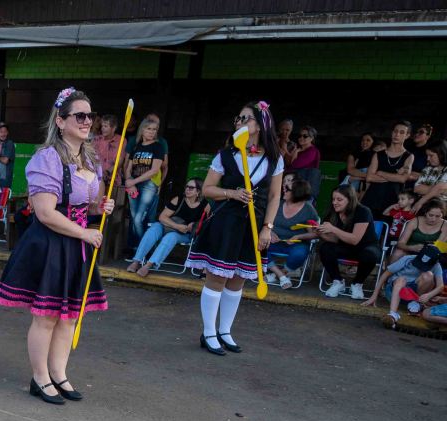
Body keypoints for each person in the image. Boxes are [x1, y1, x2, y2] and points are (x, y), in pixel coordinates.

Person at [0, 87, 114, 404]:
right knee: (46, 315)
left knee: (70, 315)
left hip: (76, 245)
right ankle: (40, 377)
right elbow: (46, 213)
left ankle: (59, 374)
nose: (87, 121)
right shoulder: (47, 158)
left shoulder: (90, 159)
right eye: (80, 115)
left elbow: (88, 206)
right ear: (60, 121)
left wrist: (101, 208)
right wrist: (84, 233)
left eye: (90, 115)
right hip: (51, 243)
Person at [187, 100, 283, 355]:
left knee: (238, 279)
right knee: (217, 277)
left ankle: (225, 331)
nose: (239, 122)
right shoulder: (225, 155)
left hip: (253, 226)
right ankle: (209, 332)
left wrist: (267, 228)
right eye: (238, 118)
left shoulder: (274, 159)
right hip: (226, 223)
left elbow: (275, 196)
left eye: (245, 118)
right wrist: (231, 193)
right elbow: (207, 189)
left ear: (260, 125)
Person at [128, 178, 209, 277]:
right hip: (169, 226)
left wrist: (195, 225)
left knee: (171, 236)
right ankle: (136, 261)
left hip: (185, 234)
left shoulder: (205, 205)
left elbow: (207, 223)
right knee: (154, 228)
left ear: (198, 191)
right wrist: (177, 226)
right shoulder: (178, 199)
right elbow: (162, 217)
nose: (187, 189)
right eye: (187, 187)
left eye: (191, 188)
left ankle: (148, 265)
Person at [317, 184, 381, 299]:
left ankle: (357, 284)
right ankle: (337, 281)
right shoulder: (333, 211)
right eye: (333, 199)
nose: (334, 202)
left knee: (370, 255)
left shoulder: (363, 211)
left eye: (339, 199)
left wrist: (333, 229)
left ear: (350, 200)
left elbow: (354, 240)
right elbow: (335, 239)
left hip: (365, 246)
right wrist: (320, 233)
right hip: (345, 246)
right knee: (325, 248)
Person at [363, 244, 443, 329]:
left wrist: (429, 295)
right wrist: (374, 296)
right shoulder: (408, 259)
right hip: (394, 291)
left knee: (428, 275)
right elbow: (385, 274)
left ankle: (416, 304)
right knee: (401, 279)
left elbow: (440, 286)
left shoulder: (436, 265)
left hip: (415, 294)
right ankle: (393, 314)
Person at [266, 176, 320, 288]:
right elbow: (267, 222)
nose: (284, 190)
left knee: (299, 254)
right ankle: (280, 275)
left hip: (296, 244)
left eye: (287, 189)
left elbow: (315, 233)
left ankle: (278, 275)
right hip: (274, 241)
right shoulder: (277, 204)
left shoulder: (308, 209)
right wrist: (270, 231)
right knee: (257, 245)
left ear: (297, 193)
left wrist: (299, 236)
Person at [123, 116, 164, 247]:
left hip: (148, 185)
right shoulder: (136, 147)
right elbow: (128, 168)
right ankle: (140, 249)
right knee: (134, 218)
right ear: (142, 130)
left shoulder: (158, 147)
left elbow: (155, 170)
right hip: (133, 185)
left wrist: (133, 181)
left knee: (138, 218)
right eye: (149, 129)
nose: (152, 132)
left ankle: (143, 248)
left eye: (154, 129)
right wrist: (129, 181)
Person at [361, 121, 414, 218]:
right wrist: (395, 176)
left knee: (386, 226)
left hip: (392, 201)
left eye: (402, 132)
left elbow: (402, 179)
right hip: (372, 197)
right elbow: (369, 177)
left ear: (407, 136)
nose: (397, 134)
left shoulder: (409, 156)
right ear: (392, 132)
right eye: (395, 131)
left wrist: (380, 173)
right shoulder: (378, 154)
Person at [390, 199, 446, 263]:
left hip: (431, 254)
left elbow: (437, 248)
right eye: (431, 215)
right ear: (425, 213)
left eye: (438, 216)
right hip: (410, 250)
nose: (433, 219)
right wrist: (412, 248)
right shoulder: (415, 221)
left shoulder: (445, 225)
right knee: (398, 253)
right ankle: (389, 270)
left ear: (442, 215)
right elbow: (400, 243)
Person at [411, 141, 447, 212]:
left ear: (441, 154)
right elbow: (417, 189)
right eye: (427, 155)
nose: (428, 159)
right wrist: (437, 192)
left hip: (441, 210)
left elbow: (439, 186)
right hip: (424, 208)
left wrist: (421, 201)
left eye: (431, 155)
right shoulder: (427, 169)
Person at [287, 125, 320, 199]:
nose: (301, 138)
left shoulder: (312, 151)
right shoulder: (298, 149)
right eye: (300, 136)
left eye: (305, 136)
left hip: (304, 190)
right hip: (294, 188)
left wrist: (295, 152)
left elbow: (294, 165)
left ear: (311, 138)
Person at [91, 114, 121, 180]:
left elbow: (119, 161)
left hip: (113, 178)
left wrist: (107, 172)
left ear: (114, 128)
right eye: (102, 126)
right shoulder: (96, 139)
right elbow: (90, 158)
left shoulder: (121, 140)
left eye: (105, 126)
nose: (102, 128)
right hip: (95, 176)